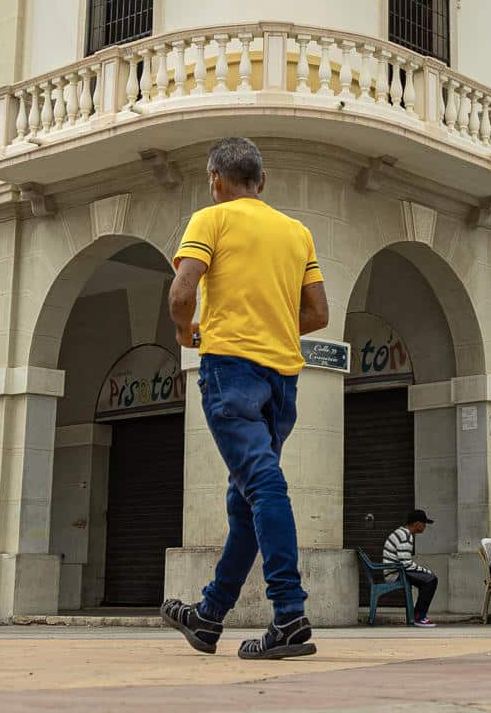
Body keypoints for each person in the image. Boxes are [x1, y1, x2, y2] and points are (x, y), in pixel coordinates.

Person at [161, 137, 328, 661]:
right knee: (246, 503)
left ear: (216, 179)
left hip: (231, 371)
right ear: (263, 181)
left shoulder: (210, 220)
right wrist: (276, 326)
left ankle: (290, 616)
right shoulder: (297, 233)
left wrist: (189, 333)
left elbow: (181, 293)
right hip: (283, 381)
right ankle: (210, 616)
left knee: (262, 485)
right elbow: (318, 313)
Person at [379, 509, 438, 626]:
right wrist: (426, 571)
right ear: (417, 524)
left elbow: (405, 563)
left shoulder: (403, 533)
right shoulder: (406, 536)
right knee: (431, 580)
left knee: (427, 580)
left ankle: (417, 615)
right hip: (395, 574)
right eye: (424, 523)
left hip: (396, 570)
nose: (425, 526)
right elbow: (406, 564)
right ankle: (419, 616)